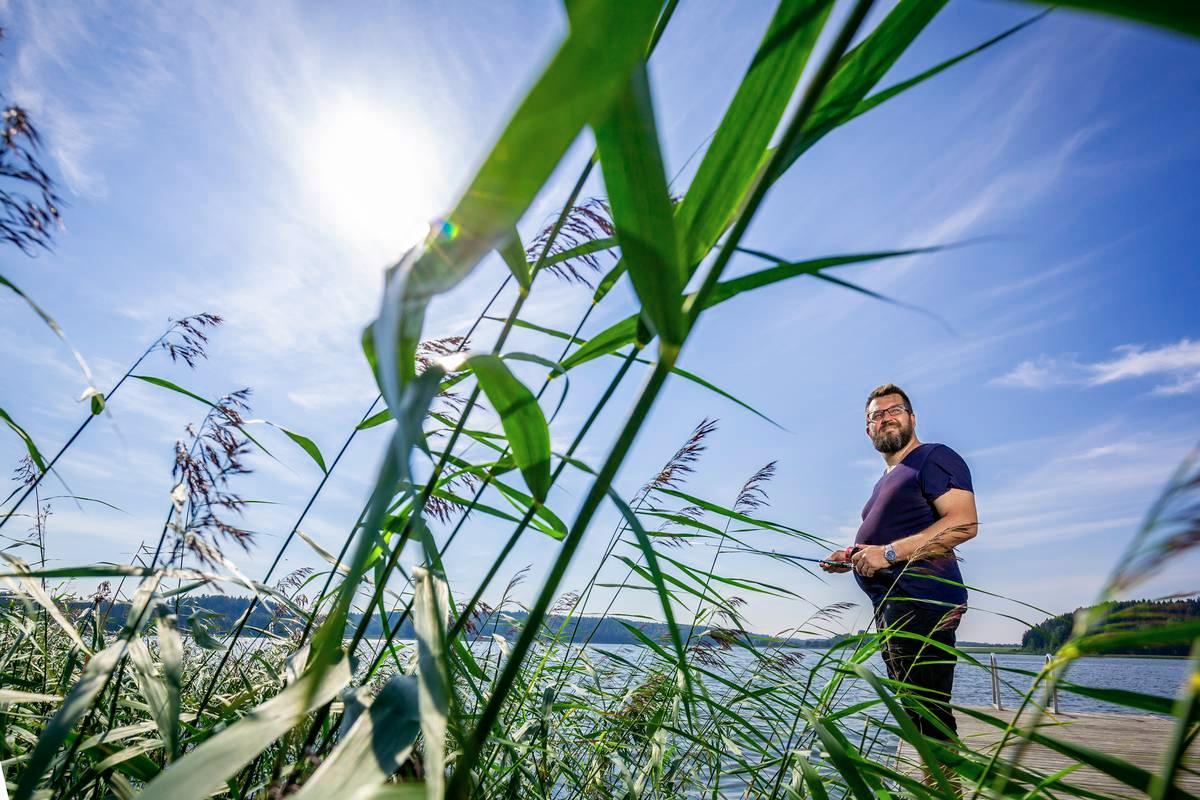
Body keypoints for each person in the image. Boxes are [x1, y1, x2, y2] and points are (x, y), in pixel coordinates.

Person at [822, 383, 978, 740]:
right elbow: (886, 539)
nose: (886, 418)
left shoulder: (934, 457)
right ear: (868, 429)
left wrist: (888, 553)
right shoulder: (887, 480)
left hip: (922, 603)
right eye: (877, 415)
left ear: (912, 417)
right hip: (896, 607)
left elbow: (963, 522)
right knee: (917, 712)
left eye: (894, 410)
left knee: (928, 717)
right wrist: (849, 555)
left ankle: (943, 791)